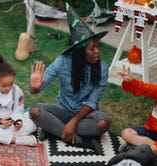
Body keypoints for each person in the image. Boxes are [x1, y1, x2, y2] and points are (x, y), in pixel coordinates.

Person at [28, 3, 111, 155]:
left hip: (86, 114)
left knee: (103, 124)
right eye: (92, 48)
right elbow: (36, 90)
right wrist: (34, 87)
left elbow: (92, 102)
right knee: (34, 111)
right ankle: (81, 141)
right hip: (63, 110)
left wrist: (73, 122)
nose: (97, 52)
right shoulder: (63, 61)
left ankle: (54, 129)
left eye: (98, 47)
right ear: (80, 51)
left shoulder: (102, 68)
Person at [0, 55, 37, 147]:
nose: (8, 88)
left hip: (12, 124)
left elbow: (18, 109)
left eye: (11, 84)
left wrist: (18, 121)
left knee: (33, 124)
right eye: (4, 85)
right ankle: (19, 140)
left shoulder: (16, 90)